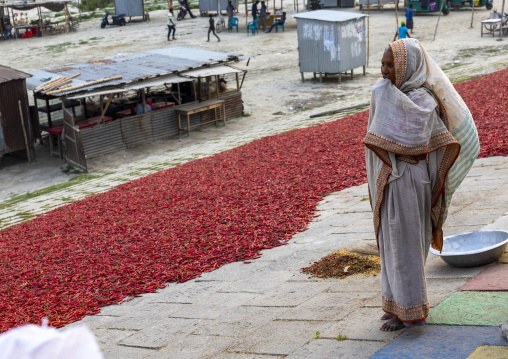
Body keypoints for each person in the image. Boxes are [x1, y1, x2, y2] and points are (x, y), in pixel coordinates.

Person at [364, 39, 479, 332]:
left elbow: (415, 139)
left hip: (411, 180)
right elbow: (374, 133)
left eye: (392, 65)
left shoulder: (423, 101)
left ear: (408, 66)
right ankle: (394, 306)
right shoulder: (381, 92)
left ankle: (412, 312)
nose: (385, 70)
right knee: (389, 242)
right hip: (388, 179)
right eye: (383, 64)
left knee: (407, 245)